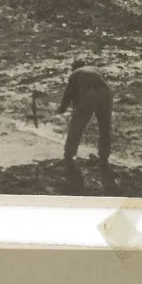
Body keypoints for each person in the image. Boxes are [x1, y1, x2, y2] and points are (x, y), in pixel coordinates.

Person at [58, 60, 114, 191]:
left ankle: (69, 155)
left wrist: (62, 109)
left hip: (91, 95)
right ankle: (104, 157)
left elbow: (69, 95)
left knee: (76, 126)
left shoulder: (75, 74)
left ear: (74, 68)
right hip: (107, 94)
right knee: (105, 128)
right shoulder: (95, 69)